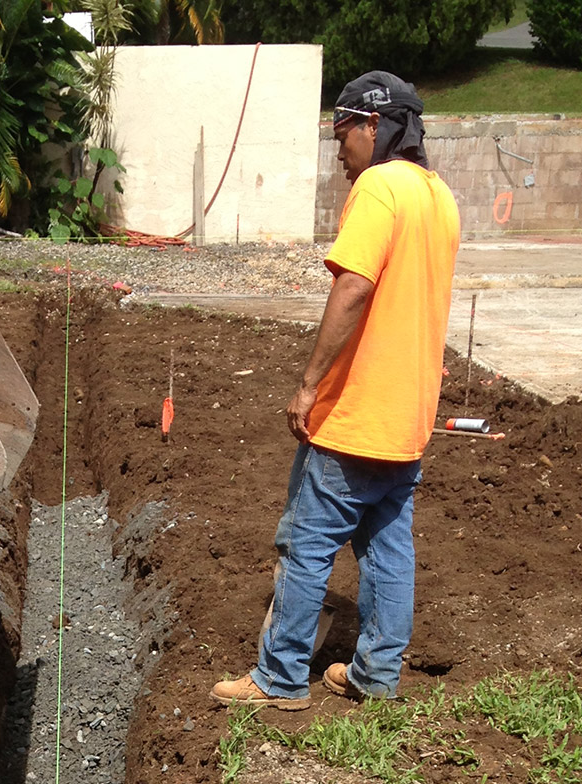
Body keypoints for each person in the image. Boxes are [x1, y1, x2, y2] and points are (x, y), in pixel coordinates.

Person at [209, 71, 461, 709]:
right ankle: (377, 674)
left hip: (357, 412)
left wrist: (309, 383)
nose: (340, 153)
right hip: (408, 415)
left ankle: (279, 679)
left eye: (342, 133)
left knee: (306, 542)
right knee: (387, 543)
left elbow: (354, 288)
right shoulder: (440, 197)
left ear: (374, 125)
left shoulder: (380, 188)